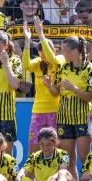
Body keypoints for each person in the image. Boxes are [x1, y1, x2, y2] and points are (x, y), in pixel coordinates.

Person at [47, 36, 92, 179]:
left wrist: (74, 88)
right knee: (68, 159)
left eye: (64, 51)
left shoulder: (90, 69)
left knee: (84, 157)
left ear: (75, 51)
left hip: (82, 117)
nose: (62, 54)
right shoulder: (63, 68)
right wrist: (49, 86)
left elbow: (90, 96)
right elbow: (56, 93)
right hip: (64, 117)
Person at [22, 18, 63, 156]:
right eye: (41, 56)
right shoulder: (39, 63)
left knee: (55, 150)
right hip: (38, 110)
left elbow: (52, 59)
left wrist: (41, 35)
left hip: (55, 110)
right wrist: (27, 42)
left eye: (45, 55)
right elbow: (26, 65)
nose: (44, 58)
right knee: (33, 150)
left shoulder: (59, 60)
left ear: (54, 51)